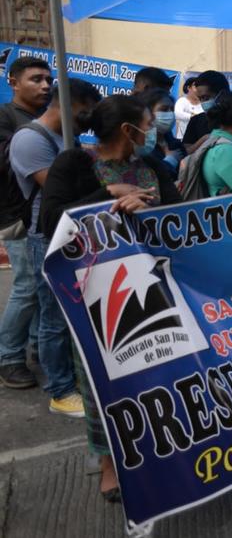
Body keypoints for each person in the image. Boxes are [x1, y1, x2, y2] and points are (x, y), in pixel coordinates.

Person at [41, 94, 182, 502]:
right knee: (100, 378)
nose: (154, 129)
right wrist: (109, 195)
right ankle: (108, 463)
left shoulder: (151, 166)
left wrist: (148, 204)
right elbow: (51, 222)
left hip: (156, 285)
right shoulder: (74, 163)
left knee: (156, 371)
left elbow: (182, 212)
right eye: (149, 122)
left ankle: (159, 449)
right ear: (128, 130)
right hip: (96, 292)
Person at [9, 78, 100, 417]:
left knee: (67, 314)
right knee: (54, 316)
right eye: (84, 110)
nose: (87, 118)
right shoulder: (30, 139)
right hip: (47, 236)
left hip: (72, 233)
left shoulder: (67, 137)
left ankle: (65, 375)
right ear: (70, 104)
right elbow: (59, 188)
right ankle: (60, 391)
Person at [0, 57, 51, 389]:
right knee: (27, 287)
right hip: (15, 215)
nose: (45, 85)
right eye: (36, 79)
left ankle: (38, 350)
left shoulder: (45, 118)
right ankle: (9, 358)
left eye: (48, 79)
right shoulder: (6, 117)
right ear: (14, 82)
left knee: (44, 287)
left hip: (44, 216)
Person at [138, 88, 187, 178]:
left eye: (172, 109)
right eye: (164, 109)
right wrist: (170, 161)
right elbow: (145, 178)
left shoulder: (176, 145)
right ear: (147, 113)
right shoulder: (140, 146)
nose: (170, 113)